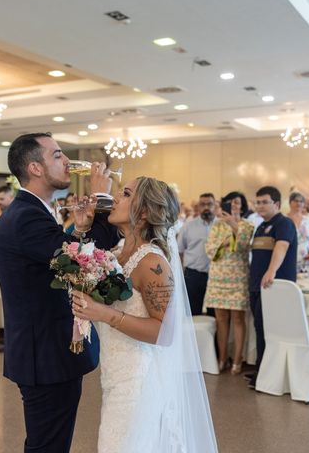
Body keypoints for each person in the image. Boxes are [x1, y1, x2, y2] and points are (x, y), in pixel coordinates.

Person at [71, 176, 218, 452]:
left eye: (125, 194)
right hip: (114, 374)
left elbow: (165, 333)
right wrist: (80, 231)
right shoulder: (114, 254)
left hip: (139, 382)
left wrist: (103, 313)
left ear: (145, 211)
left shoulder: (152, 263)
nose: (115, 198)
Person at [0, 133, 119, 453]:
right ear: (35, 168)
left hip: (47, 348)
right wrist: (102, 198)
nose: (68, 162)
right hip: (44, 353)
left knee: (48, 442)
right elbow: (81, 263)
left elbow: (54, 256)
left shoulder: (34, 210)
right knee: (48, 445)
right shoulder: (26, 215)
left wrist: (76, 230)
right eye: (58, 155)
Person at [247, 186, 297, 388]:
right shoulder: (261, 225)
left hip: (274, 286)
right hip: (257, 286)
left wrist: (271, 271)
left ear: (276, 204)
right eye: (257, 202)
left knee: (268, 329)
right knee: (260, 329)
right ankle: (262, 368)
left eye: (264, 202)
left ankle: (266, 374)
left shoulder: (284, 223)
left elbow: (281, 247)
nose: (259, 206)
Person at [204, 192, 253, 374]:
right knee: (221, 319)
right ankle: (222, 357)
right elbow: (209, 249)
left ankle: (237, 359)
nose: (234, 205)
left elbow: (242, 247)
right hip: (218, 277)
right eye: (230, 202)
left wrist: (234, 228)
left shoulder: (248, 226)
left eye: (237, 202)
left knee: (238, 319)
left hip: (238, 276)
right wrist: (227, 240)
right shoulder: (217, 225)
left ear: (243, 206)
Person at [177, 193, 216, 315]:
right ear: (198, 207)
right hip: (193, 275)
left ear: (215, 206)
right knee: (193, 312)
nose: (206, 207)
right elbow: (180, 251)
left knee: (215, 313)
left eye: (209, 204)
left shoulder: (222, 225)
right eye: (203, 204)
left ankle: (213, 335)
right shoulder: (188, 226)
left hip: (216, 275)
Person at [287, 192, 309, 263]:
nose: (299, 203)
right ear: (290, 203)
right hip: (287, 259)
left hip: (306, 258)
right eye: (296, 201)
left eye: (301, 201)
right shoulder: (283, 220)